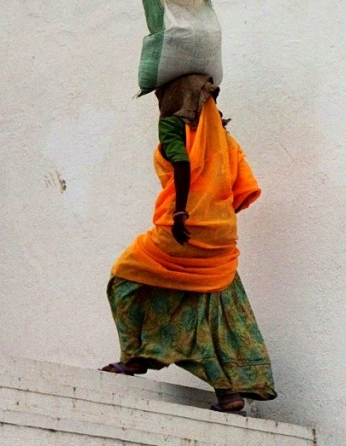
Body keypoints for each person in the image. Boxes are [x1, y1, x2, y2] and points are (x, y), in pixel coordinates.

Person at [101, 73, 276, 416]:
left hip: (180, 228)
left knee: (124, 279)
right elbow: (243, 186)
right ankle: (227, 394)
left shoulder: (172, 126)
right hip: (220, 235)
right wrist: (214, 212)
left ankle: (135, 356)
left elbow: (180, 162)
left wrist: (183, 210)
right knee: (203, 310)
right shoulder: (221, 136)